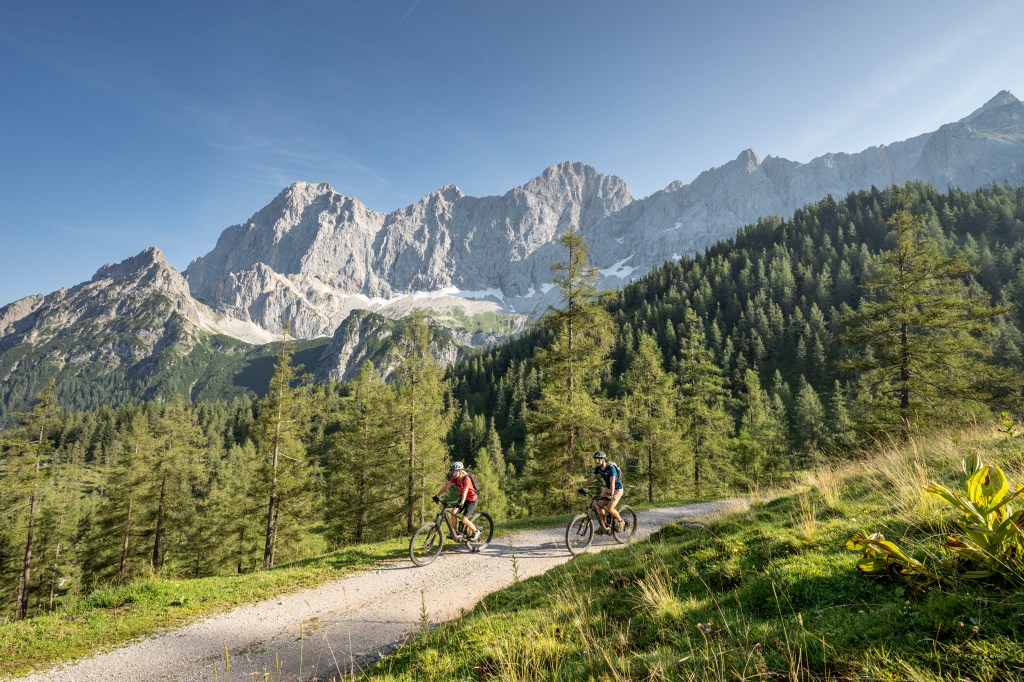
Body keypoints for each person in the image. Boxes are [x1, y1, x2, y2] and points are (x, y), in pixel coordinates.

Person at [433, 461, 481, 541]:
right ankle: (454, 533)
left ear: (460, 471)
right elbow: (446, 487)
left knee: (464, 520)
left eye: (455, 472)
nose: (454, 474)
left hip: (471, 501)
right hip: (463, 498)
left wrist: (461, 503)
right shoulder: (455, 477)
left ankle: (476, 531)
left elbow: (465, 492)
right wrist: (437, 495)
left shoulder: (467, 479)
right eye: (453, 472)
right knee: (453, 512)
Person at [578, 451, 625, 533]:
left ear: (603, 459)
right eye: (595, 460)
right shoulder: (598, 468)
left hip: (617, 489)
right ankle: (603, 527)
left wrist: (612, 494)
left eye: (598, 459)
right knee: (599, 506)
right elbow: (591, 479)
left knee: (610, 508)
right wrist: (582, 487)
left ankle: (621, 522)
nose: (596, 461)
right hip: (607, 489)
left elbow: (612, 482)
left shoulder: (611, 468)